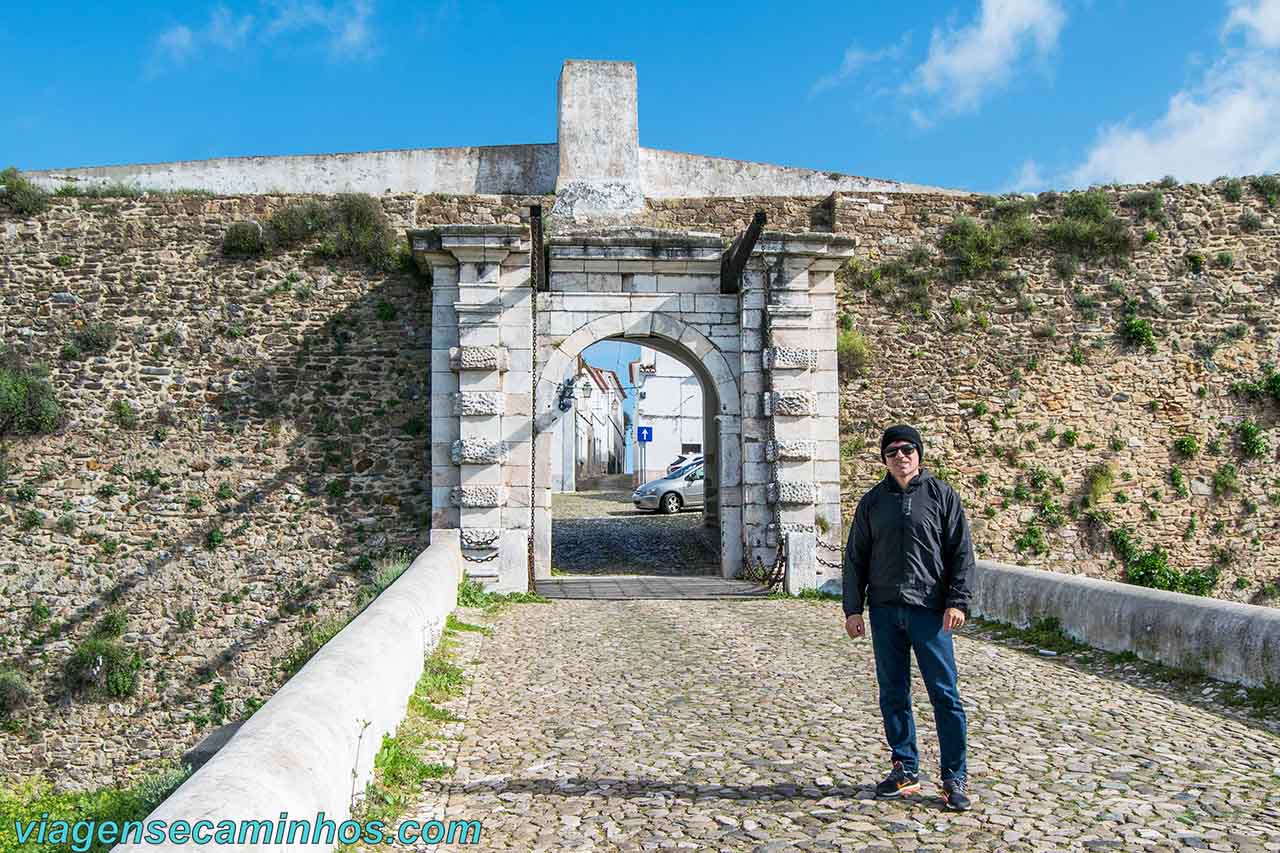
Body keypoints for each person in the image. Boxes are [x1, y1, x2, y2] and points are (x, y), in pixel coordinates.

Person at [842, 424, 975, 811]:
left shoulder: (941, 496)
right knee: (893, 693)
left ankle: (955, 776)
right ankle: (905, 768)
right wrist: (853, 608)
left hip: (930, 611)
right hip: (885, 611)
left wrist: (958, 601)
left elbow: (961, 553)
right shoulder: (872, 502)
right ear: (884, 459)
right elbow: (855, 558)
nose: (901, 457)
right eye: (893, 451)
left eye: (908, 450)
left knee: (945, 695)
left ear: (919, 454)